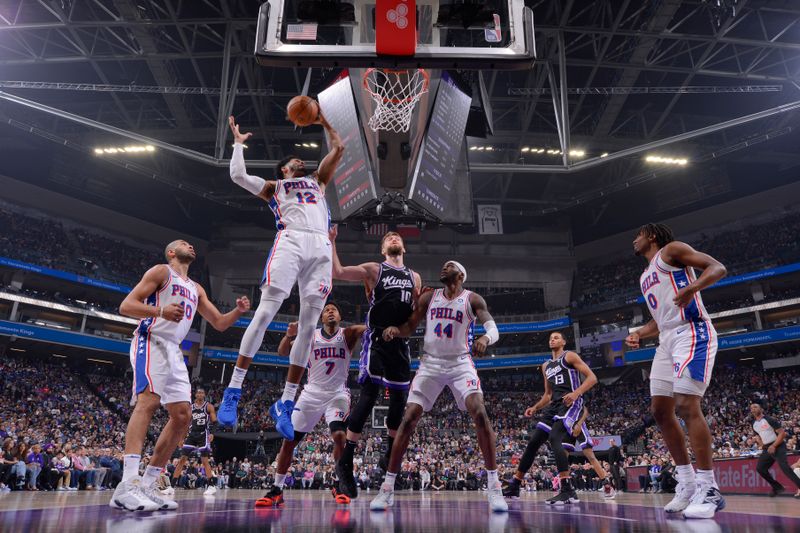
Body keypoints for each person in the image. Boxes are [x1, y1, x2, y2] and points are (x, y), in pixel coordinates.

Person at [219, 113, 345, 441]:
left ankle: (287, 402)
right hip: (290, 241)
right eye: (294, 160)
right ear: (285, 169)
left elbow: (340, 147)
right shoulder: (275, 187)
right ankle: (233, 389)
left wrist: (323, 122)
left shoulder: (318, 181)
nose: (301, 160)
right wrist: (237, 143)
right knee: (265, 313)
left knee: (308, 328)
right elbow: (236, 175)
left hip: (320, 247)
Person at [111, 239, 250, 512]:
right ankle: (127, 485)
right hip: (151, 340)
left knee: (183, 416)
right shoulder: (161, 272)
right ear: (172, 252)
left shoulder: (196, 288)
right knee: (148, 402)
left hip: (174, 351)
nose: (191, 246)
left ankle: (149, 485)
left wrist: (238, 311)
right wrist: (160, 310)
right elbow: (127, 306)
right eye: (184, 243)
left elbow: (219, 323)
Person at [369, 261, 506, 512]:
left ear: (461, 274)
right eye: (442, 266)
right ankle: (387, 488)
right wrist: (395, 330)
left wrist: (486, 338)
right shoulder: (429, 297)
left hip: (460, 362)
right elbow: (410, 326)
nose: (443, 267)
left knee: (479, 411)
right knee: (408, 419)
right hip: (430, 363)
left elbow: (492, 327)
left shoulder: (472, 299)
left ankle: (494, 485)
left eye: (450, 266)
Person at [625, 223, 727, 519]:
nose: (634, 239)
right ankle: (686, 481)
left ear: (652, 237)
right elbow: (659, 319)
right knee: (660, 410)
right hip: (666, 339)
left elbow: (717, 268)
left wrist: (692, 287)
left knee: (685, 404)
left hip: (692, 332)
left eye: (638, 234)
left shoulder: (671, 250)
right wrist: (640, 333)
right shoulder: (645, 276)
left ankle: (709, 487)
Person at [328, 225, 422, 500]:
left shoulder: (414, 277)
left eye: (397, 237)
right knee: (368, 398)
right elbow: (339, 272)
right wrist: (333, 242)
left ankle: (388, 455)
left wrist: (406, 327)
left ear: (403, 248)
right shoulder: (374, 269)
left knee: (398, 404)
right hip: (378, 340)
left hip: (400, 345)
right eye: (388, 238)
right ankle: (345, 461)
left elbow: (414, 315)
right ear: (383, 249)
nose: (393, 237)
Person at [256, 302, 365, 507]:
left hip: (337, 394)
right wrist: (289, 335)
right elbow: (282, 352)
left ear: (340, 316)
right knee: (289, 441)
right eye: (327, 310)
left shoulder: (347, 334)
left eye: (334, 309)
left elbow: (365, 328)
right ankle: (277, 489)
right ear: (321, 318)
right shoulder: (310, 336)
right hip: (311, 394)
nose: (331, 311)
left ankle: (337, 484)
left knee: (340, 436)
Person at [502, 331, 598, 505]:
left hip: (570, 403)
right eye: (550, 338)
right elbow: (547, 394)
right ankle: (515, 484)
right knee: (533, 442)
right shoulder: (546, 366)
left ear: (563, 341)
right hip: (553, 405)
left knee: (555, 438)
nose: (552, 339)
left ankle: (567, 490)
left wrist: (576, 393)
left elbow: (592, 378)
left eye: (556, 337)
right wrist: (535, 407)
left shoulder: (569, 356)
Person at [166, 387, 218, 496]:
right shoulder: (190, 408)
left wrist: (212, 433)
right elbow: (185, 424)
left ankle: (212, 485)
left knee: (204, 461)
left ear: (204, 395)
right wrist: (181, 438)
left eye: (202, 392)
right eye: (198, 392)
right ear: (195, 395)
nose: (200, 394)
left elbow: (215, 422)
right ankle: (171, 486)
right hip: (191, 435)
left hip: (203, 434)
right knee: (182, 460)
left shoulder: (208, 406)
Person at [563, 407, 616, 498]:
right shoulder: (558, 398)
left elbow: (585, 409)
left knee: (590, 456)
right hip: (566, 425)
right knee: (563, 458)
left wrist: (579, 423)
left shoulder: (576, 396)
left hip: (577, 423)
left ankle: (607, 485)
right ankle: (566, 488)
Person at [750, 403, 800, 497]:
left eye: (755, 407)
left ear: (761, 408)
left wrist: (773, 445)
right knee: (760, 468)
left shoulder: (769, 419)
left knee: (785, 468)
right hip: (767, 448)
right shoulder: (754, 424)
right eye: (751, 408)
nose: (753, 409)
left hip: (778, 445)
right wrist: (761, 444)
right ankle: (777, 487)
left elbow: (782, 434)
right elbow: (759, 436)